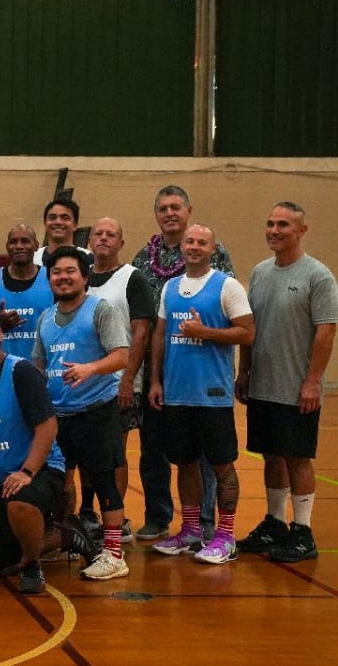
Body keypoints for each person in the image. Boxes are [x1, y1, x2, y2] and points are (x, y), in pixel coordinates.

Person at [236, 201, 338, 563]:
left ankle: (303, 532)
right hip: (263, 385)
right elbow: (250, 329)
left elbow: (326, 332)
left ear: (301, 231)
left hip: (297, 389)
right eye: (270, 224)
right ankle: (276, 523)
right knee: (271, 455)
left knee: (297, 457)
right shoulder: (260, 272)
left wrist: (312, 382)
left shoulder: (318, 276)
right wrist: (244, 372)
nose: (274, 230)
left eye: (283, 225)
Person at [148, 224, 254, 564]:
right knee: (185, 464)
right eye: (190, 241)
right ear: (183, 247)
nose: (194, 246)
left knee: (222, 466)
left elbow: (247, 333)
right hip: (177, 394)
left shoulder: (227, 286)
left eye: (202, 242)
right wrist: (155, 380)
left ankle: (226, 536)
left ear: (212, 249)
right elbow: (160, 335)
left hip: (212, 395)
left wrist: (204, 332)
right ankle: (191, 530)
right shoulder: (170, 286)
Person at [131, 186, 231, 542]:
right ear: (156, 214)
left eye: (176, 207)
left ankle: (204, 520)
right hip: (156, 369)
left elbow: (229, 310)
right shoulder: (143, 258)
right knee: (152, 448)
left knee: (203, 454)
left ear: (189, 210)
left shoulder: (214, 252)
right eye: (163, 208)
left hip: (202, 369)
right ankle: (158, 516)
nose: (170, 213)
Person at [31, 247, 130, 580]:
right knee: (60, 481)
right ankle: (65, 538)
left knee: (104, 482)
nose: (63, 277)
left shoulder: (100, 310)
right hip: (58, 416)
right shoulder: (46, 318)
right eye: (56, 272)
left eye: (70, 271)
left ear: (85, 277)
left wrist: (91, 368)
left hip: (96, 412)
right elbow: (39, 364)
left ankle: (114, 555)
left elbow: (121, 355)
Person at [0, 308, 66, 594]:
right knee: (0, 564)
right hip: (0, 481)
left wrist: (27, 472)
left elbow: (48, 426)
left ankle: (33, 564)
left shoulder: (22, 371)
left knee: (19, 501)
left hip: (41, 470)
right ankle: (63, 536)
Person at [80, 217, 154, 540]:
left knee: (114, 454)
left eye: (111, 234)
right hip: (83, 382)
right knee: (87, 453)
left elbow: (141, 332)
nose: (104, 238)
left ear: (121, 243)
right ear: (90, 240)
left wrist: (128, 380)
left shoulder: (132, 278)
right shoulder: (80, 277)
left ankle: (118, 519)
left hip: (119, 384)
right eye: (99, 233)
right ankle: (88, 512)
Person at [0, 223, 52, 359]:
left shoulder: (51, 278)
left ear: (36, 245)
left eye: (25, 241)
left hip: (41, 367)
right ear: (7, 246)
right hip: (1, 367)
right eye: (13, 242)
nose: (19, 246)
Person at [34, 199, 92, 268]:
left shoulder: (89, 259)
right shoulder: (32, 259)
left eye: (65, 218)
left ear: (75, 225)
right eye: (52, 217)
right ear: (45, 223)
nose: (58, 222)